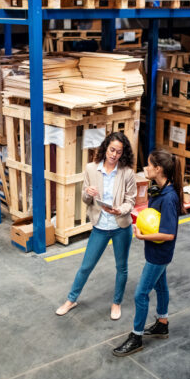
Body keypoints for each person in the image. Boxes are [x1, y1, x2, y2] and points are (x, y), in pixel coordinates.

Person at [113, 149, 186, 356]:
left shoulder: (169, 197)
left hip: (159, 253)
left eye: (148, 165)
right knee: (161, 287)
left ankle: (136, 337)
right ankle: (162, 323)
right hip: (155, 250)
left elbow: (169, 234)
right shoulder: (159, 190)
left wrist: (141, 236)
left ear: (158, 168)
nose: (145, 168)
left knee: (140, 294)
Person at [56, 132, 137, 320]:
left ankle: (116, 303)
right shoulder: (91, 169)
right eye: (111, 150)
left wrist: (120, 209)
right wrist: (88, 192)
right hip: (100, 226)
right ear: (105, 148)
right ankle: (71, 299)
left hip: (120, 227)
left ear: (122, 154)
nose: (114, 155)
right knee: (86, 266)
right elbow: (85, 199)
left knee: (122, 267)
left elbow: (131, 200)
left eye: (118, 152)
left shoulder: (127, 173)